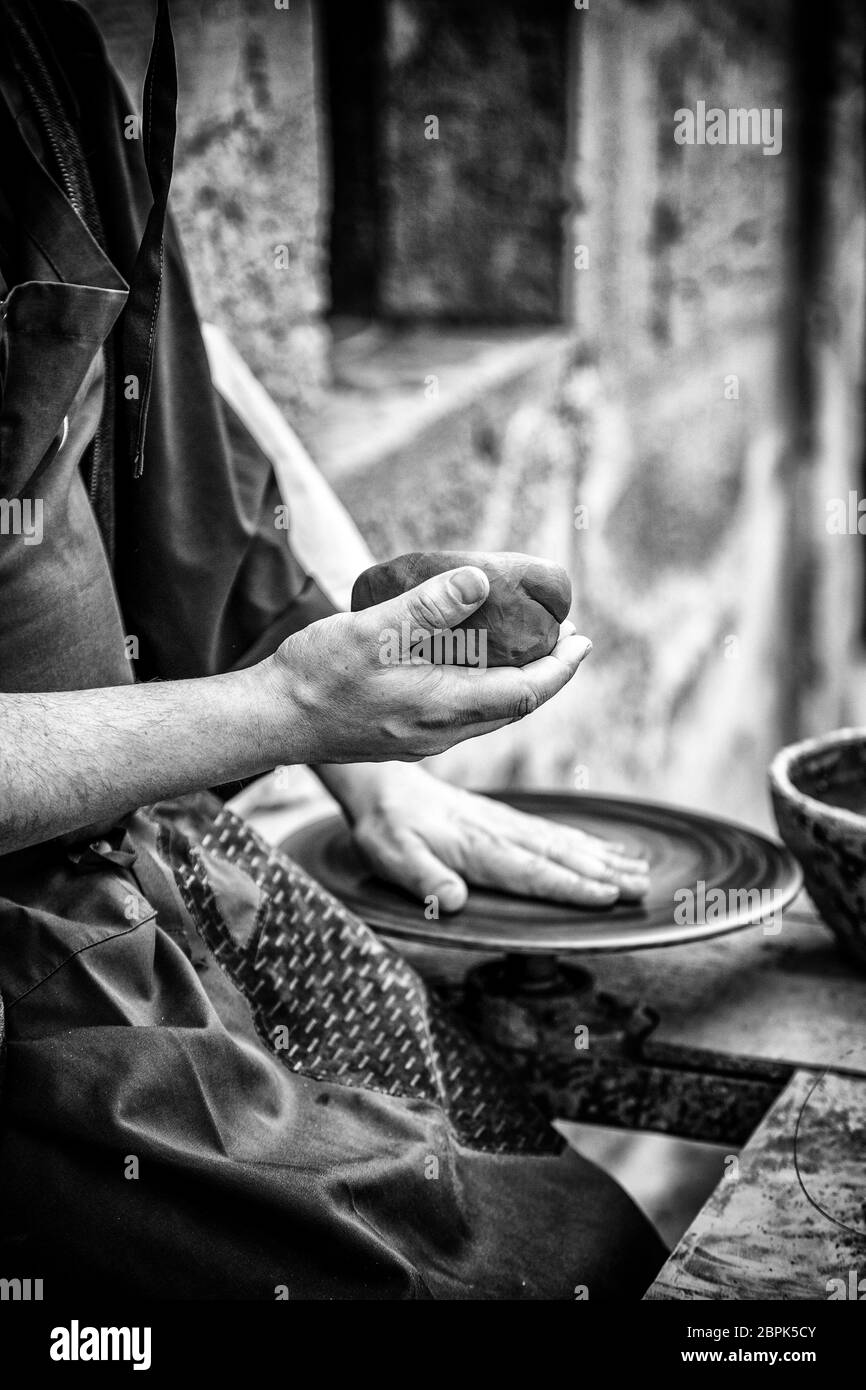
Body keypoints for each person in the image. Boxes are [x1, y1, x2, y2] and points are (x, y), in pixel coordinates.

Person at [0, 0, 662, 1298]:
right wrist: (289, 703)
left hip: (136, 823)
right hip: (26, 959)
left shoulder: (97, 46)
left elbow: (176, 347)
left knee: (504, 1136)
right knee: (502, 1270)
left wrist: (362, 729)